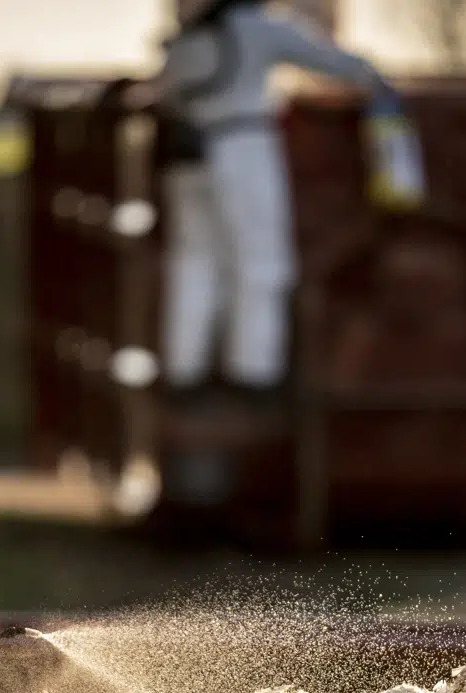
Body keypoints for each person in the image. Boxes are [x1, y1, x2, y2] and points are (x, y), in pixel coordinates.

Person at [139, 0, 393, 404]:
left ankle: (184, 371)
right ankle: (253, 372)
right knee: (260, 261)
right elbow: (333, 62)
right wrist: (380, 82)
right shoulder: (256, 28)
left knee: (195, 263)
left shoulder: (187, 38)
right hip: (242, 147)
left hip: (186, 155)